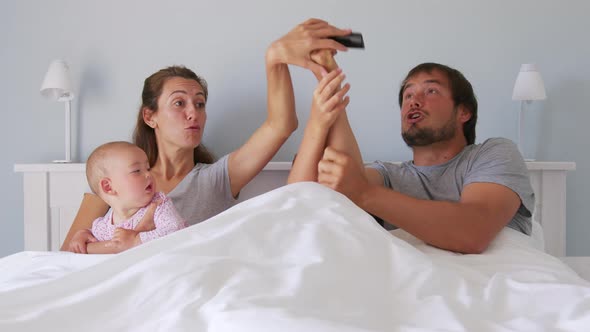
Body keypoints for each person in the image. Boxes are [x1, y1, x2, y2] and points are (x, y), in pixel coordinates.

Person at [62, 18, 354, 253]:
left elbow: (281, 124)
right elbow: (67, 257)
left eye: (200, 104)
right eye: (179, 103)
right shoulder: (117, 180)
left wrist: (274, 59)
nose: (194, 113)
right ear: (150, 117)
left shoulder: (216, 179)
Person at [289, 60, 535, 254]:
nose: (414, 101)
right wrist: (327, 90)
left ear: (463, 112)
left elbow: (473, 232)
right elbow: (305, 202)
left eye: (431, 91)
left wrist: (364, 193)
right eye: (408, 95)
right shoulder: (387, 176)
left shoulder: (493, 154)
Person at [69, 141, 187, 254]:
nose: (148, 174)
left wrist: (136, 240)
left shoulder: (159, 205)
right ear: (108, 187)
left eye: (148, 168)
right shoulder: (105, 225)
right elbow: (95, 237)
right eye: (136, 171)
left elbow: (176, 231)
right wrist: (83, 235)